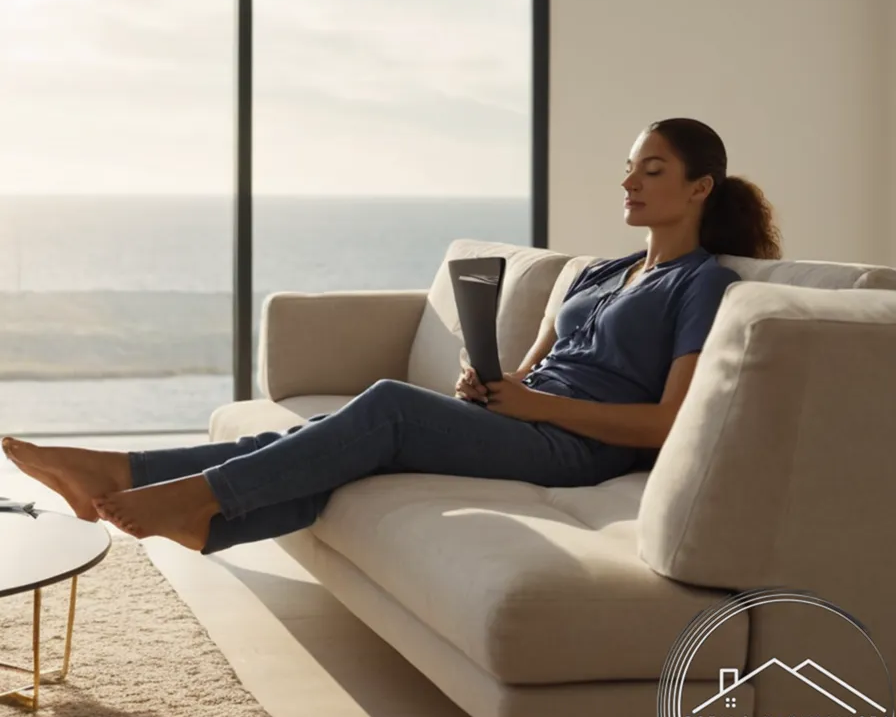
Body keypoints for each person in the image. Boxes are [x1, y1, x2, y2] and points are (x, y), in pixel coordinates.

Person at [2, 117, 782, 557]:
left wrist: (532, 410)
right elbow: (535, 371)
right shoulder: (597, 271)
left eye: (651, 170)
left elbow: (665, 423)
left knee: (383, 410)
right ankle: (122, 469)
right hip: (529, 421)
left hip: (582, 449)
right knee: (327, 435)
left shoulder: (704, 283)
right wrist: (490, 389)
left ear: (699, 187)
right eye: (628, 167)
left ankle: (189, 496)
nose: (628, 182)